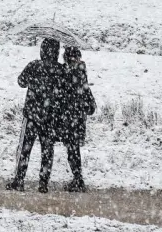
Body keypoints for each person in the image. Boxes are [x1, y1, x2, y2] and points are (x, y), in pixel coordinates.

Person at [6, 38, 65, 193]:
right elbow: (63, 93)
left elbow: (21, 82)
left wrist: (34, 80)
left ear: (42, 50)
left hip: (31, 115)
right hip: (50, 118)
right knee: (47, 150)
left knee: (25, 149)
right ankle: (43, 183)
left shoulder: (34, 65)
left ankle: (19, 180)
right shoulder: (60, 70)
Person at [56, 46, 96, 192]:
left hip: (70, 116)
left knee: (72, 149)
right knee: (73, 149)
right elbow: (86, 91)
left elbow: (64, 93)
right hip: (78, 117)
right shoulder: (80, 71)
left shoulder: (72, 73)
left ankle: (78, 179)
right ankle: (78, 178)